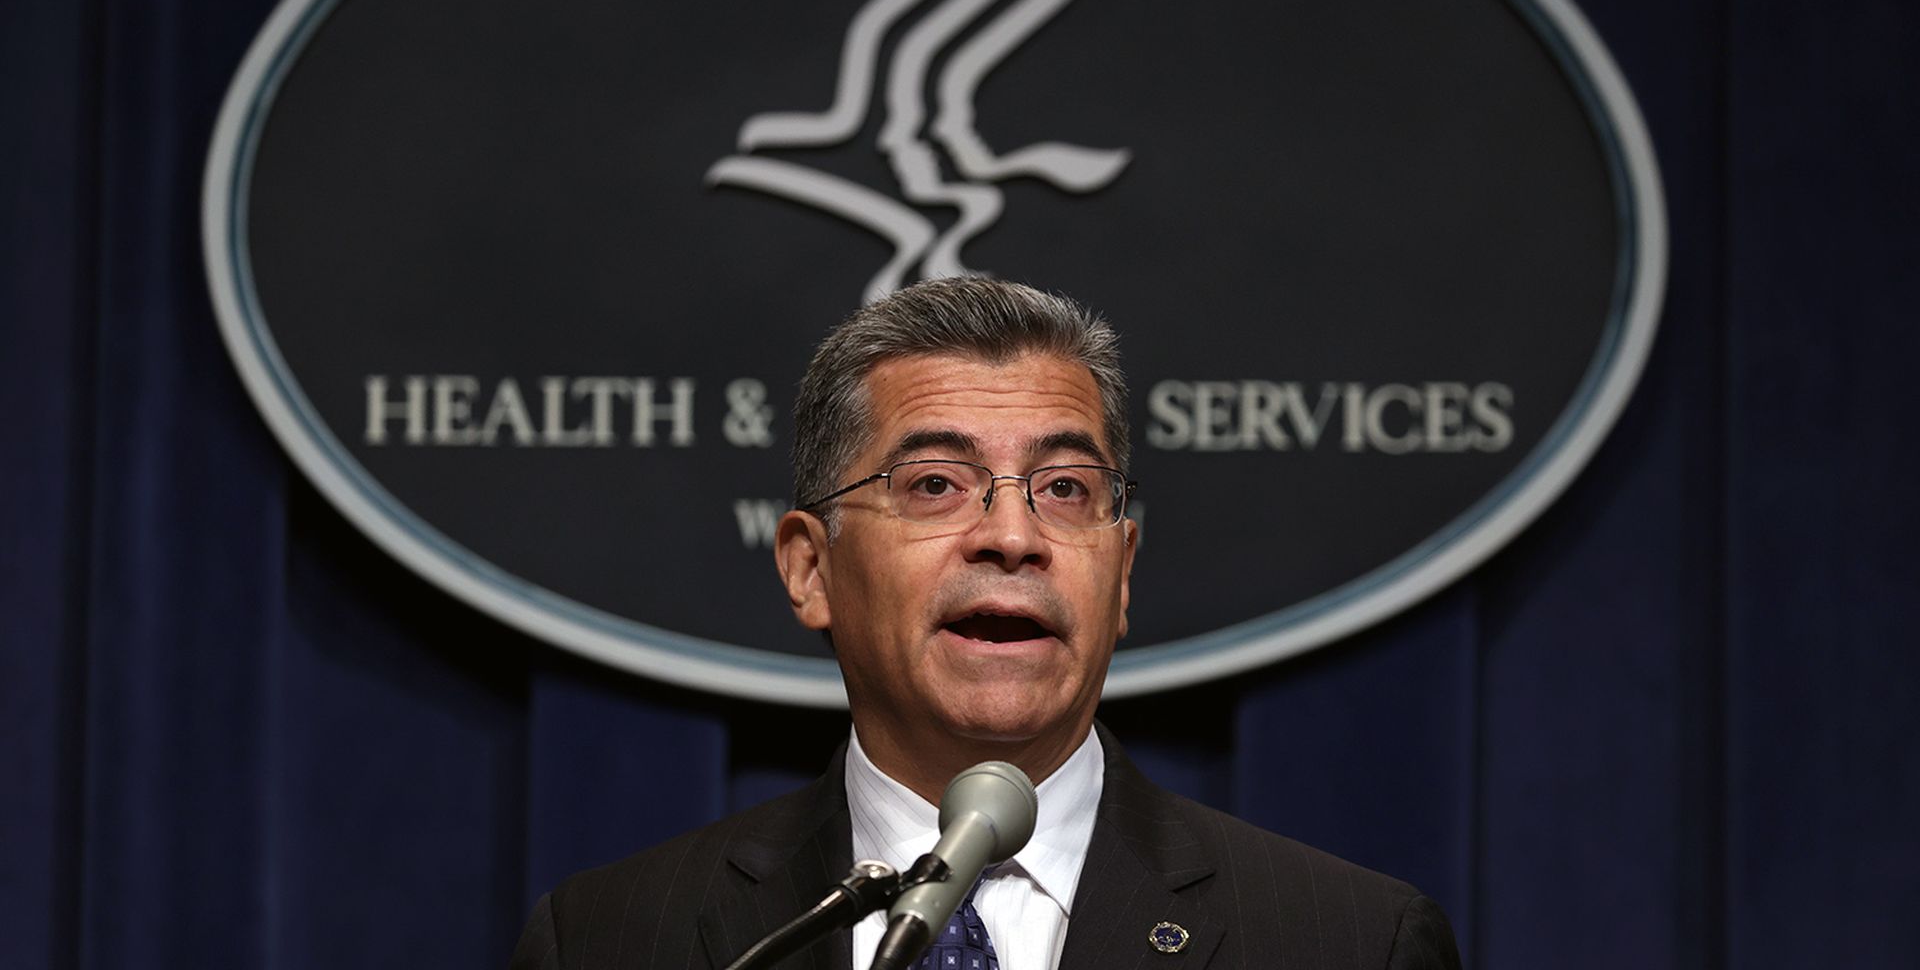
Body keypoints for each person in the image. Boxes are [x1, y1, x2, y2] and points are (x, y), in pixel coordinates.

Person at [511, 278, 1461, 970]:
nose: (1013, 535)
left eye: (1064, 488)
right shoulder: (612, 939)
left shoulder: (1345, 941)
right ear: (811, 569)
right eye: (935, 485)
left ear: (1121, 572)